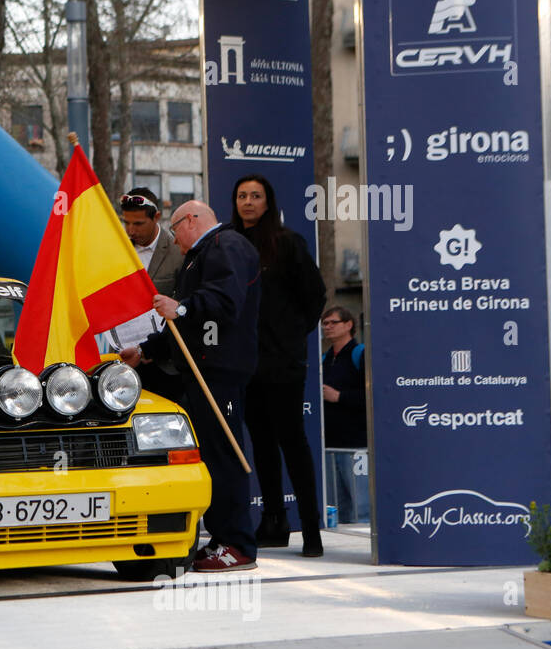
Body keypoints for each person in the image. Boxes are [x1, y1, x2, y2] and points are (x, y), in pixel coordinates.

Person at [120, 199, 261, 572]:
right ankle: (221, 535)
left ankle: (239, 543)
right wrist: (148, 351)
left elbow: (224, 300)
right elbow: (185, 324)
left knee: (225, 455)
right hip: (200, 368)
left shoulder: (225, 246)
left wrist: (180, 308)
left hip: (219, 369)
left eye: (175, 228)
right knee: (211, 456)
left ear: (191, 221)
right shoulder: (202, 255)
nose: (174, 239)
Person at [230, 174, 328, 557]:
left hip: (284, 363)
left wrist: (291, 337)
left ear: (268, 202)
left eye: (256, 196)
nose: (248, 202)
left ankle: (311, 529)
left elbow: (315, 295)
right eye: (242, 196)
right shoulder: (229, 244)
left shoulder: (288, 243)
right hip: (246, 363)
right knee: (262, 444)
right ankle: (273, 521)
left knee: (293, 442)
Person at [96, 188, 185, 403]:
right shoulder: (115, 251)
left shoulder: (178, 251)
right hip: (123, 359)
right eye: (126, 222)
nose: (130, 230)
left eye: (138, 224)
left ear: (156, 217)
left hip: (164, 362)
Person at [321, 306, 369, 523]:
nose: (327, 327)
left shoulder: (361, 355)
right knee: (337, 507)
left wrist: (339, 397)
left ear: (349, 325)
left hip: (356, 446)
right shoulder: (324, 358)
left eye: (333, 322)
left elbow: (371, 397)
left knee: (360, 507)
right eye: (325, 323)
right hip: (330, 446)